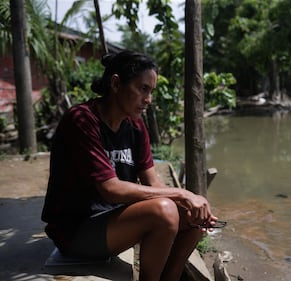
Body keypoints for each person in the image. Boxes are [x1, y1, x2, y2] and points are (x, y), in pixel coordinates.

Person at [41, 50, 217, 281]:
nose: (149, 99)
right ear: (116, 84)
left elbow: (152, 182)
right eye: (143, 89)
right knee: (164, 211)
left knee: (195, 215)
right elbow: (111, 190)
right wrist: (182, 193)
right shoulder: (82, 120)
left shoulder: (134, 125)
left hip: (113, 222)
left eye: (151, 91)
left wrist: (191, 202)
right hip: (76, 232)